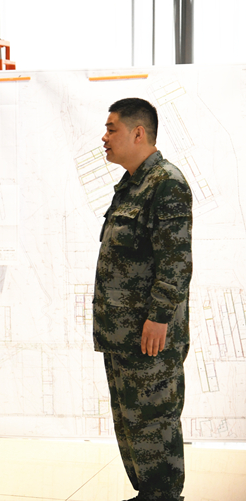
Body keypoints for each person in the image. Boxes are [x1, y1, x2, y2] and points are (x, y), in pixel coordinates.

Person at [93, 98, 192, 501]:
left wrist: (160, 317)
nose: (104, 137)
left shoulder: (166, 183)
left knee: (154, 423)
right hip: (122, 336)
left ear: (138, 133)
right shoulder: (131, 184)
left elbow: (176, 261)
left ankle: (164, 496)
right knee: (131, 424)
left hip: (149, 336)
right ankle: (148, 495)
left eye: (111, 129)